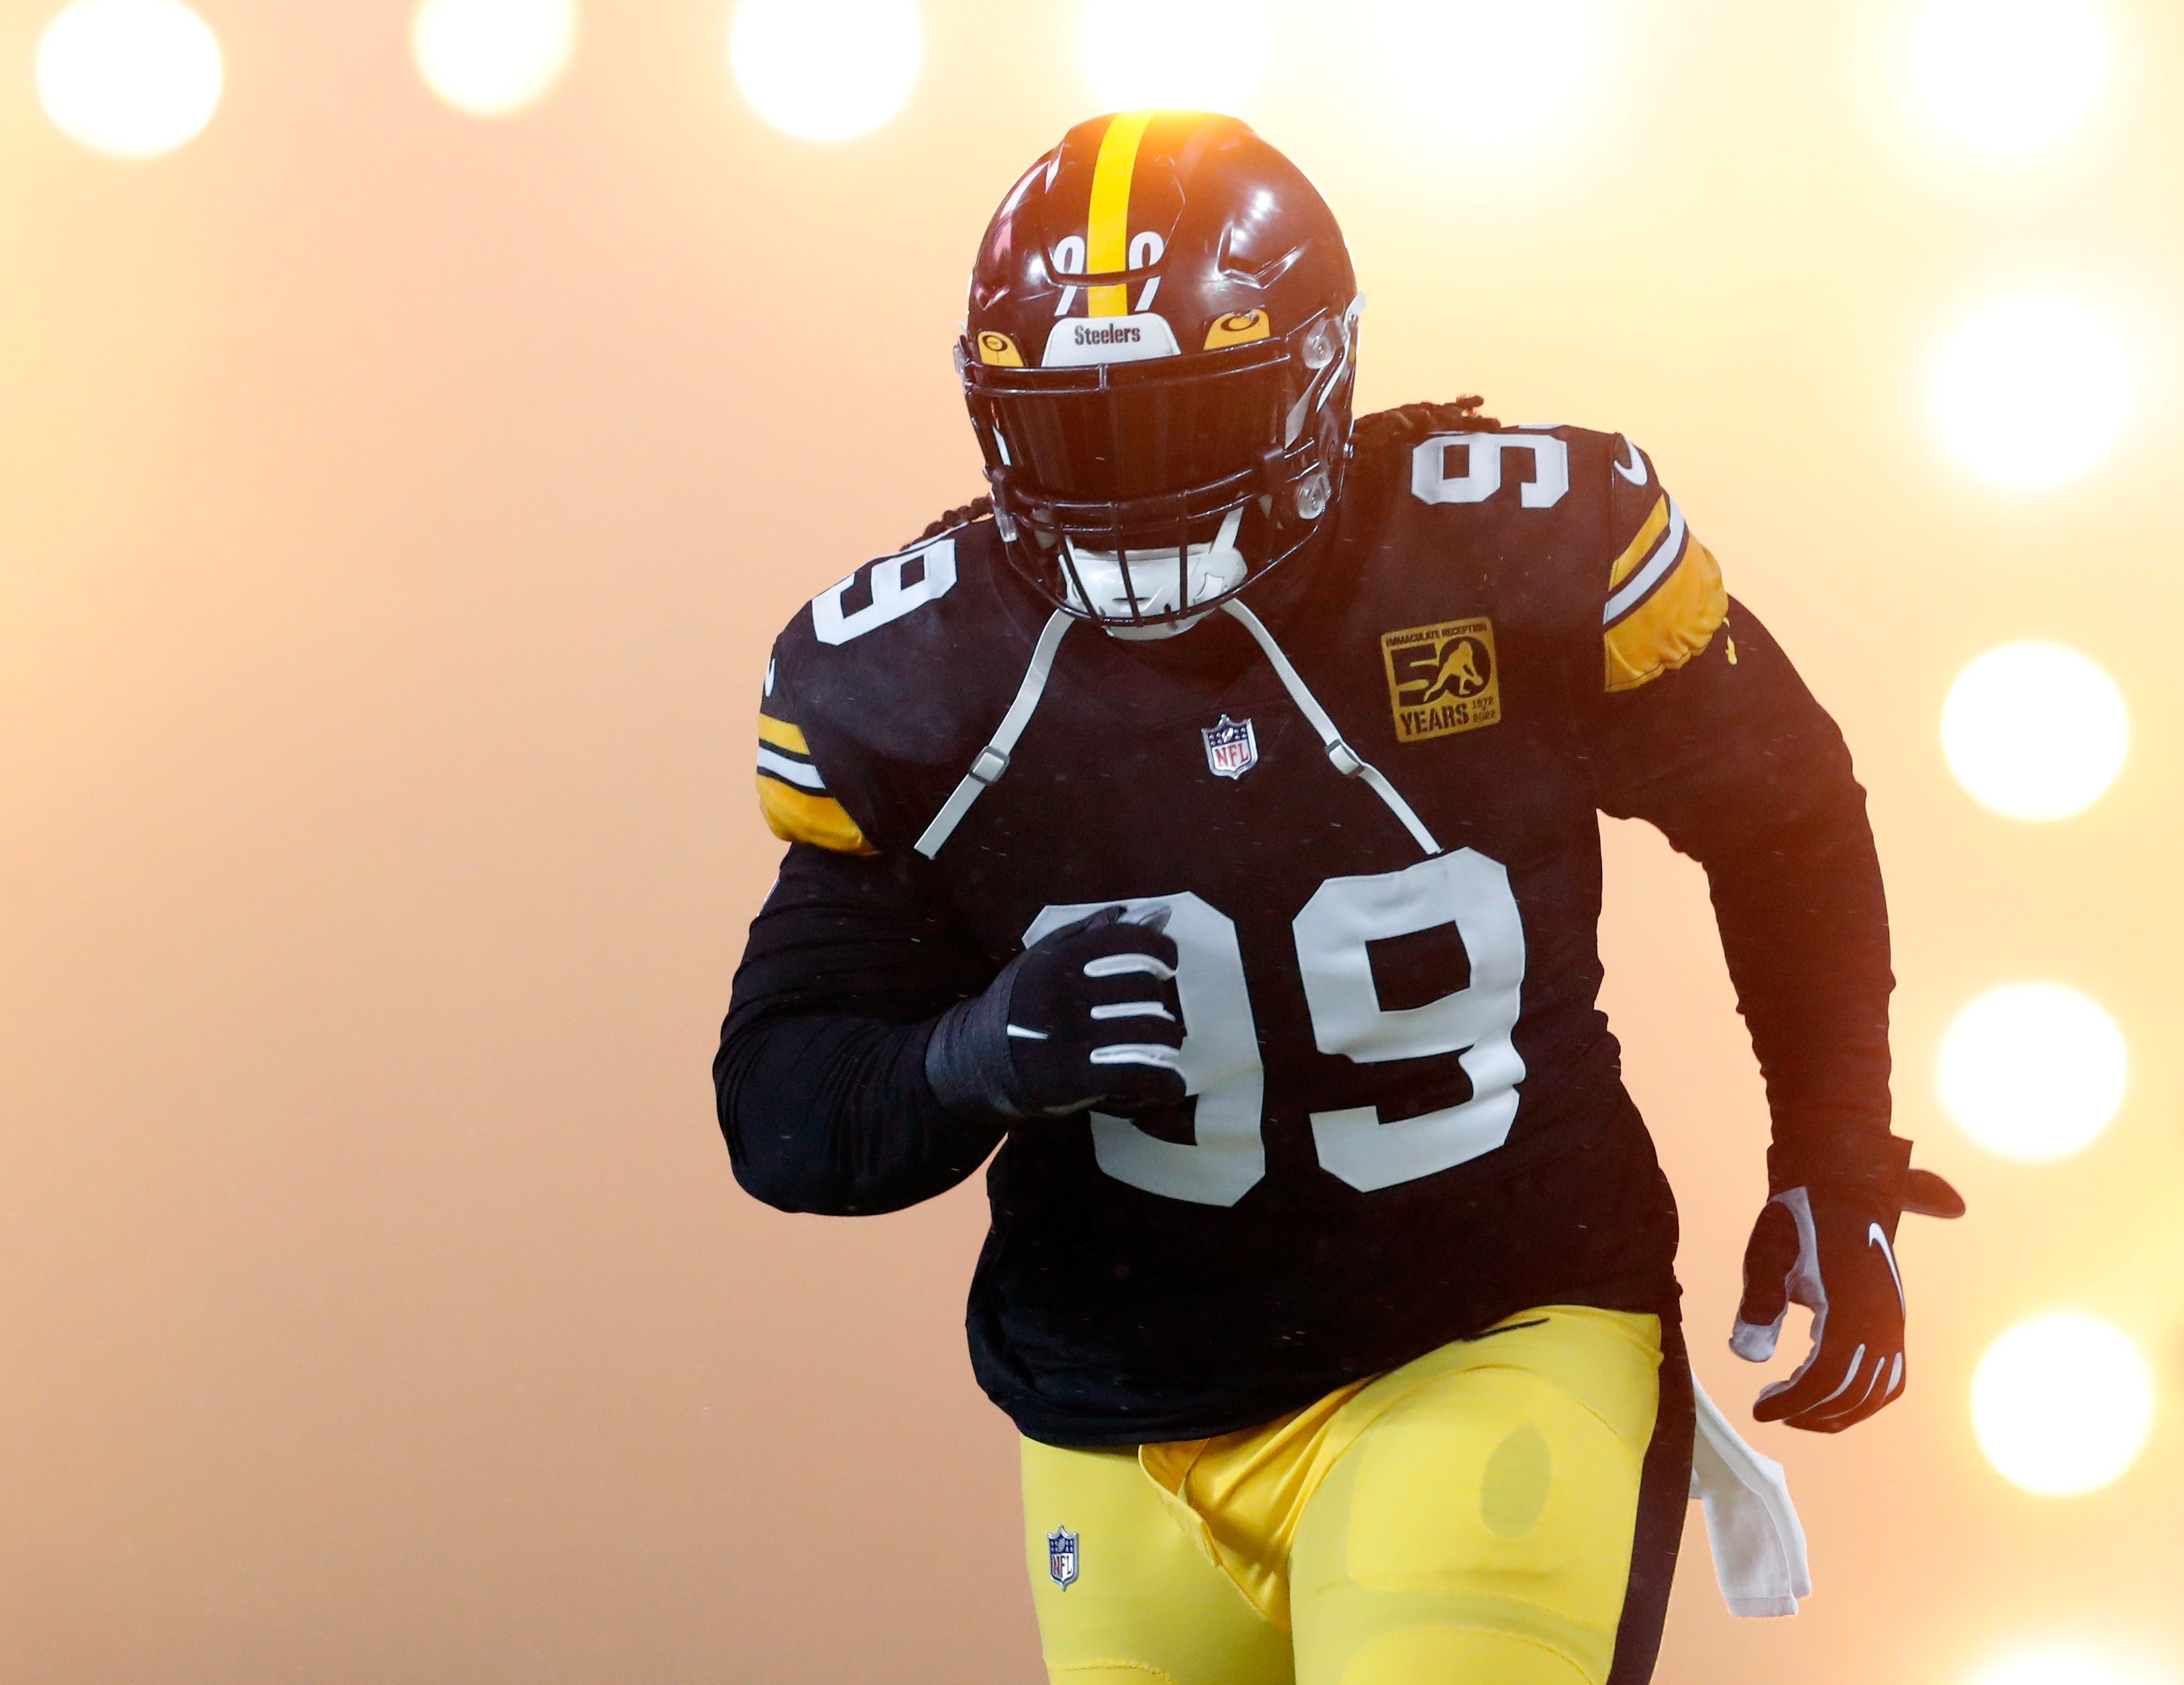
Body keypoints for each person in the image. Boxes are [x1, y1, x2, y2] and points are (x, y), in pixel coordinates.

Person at [715, 110, 1961, 1685]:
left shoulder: (1498, 552)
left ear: (1319, 375)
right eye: (1082, 434)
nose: (1134, 489)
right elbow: (777, 1105)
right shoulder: (914, 683)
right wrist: (970, 1055)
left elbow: (1779, 813)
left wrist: (1834, 1140)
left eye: (1186, 419)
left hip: (1486, 1326)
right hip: (1114, 1406)